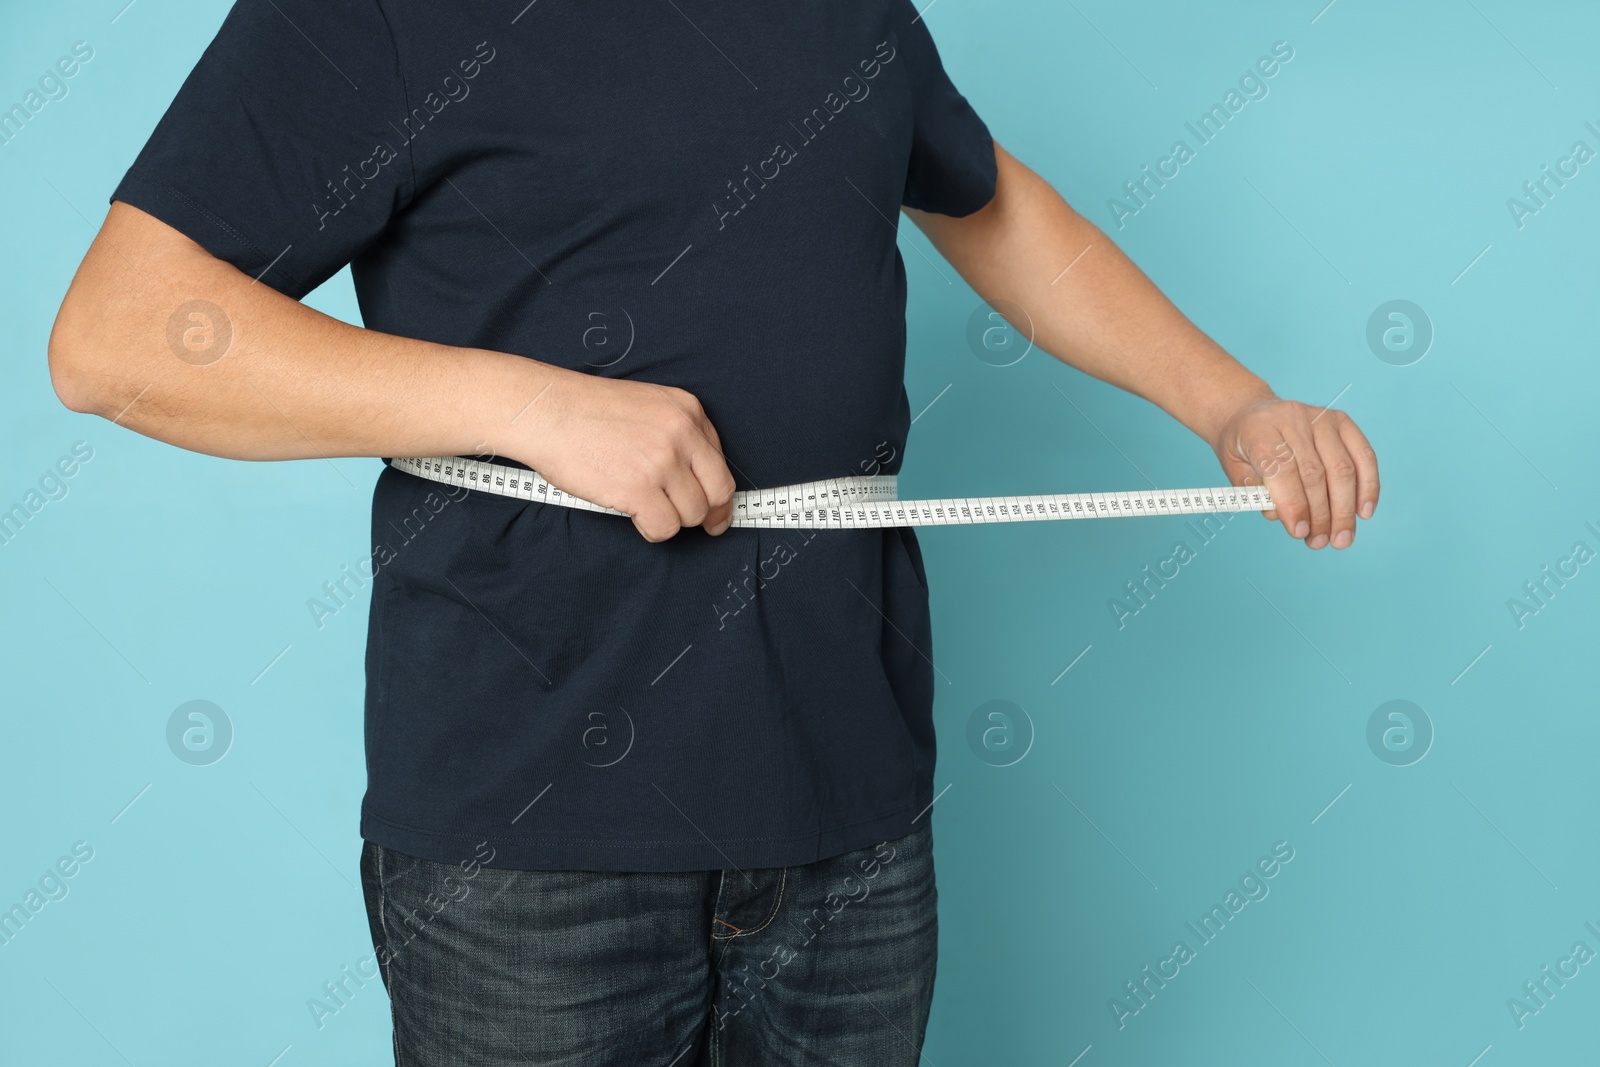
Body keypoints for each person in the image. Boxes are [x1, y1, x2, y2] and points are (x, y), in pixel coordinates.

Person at [47, 1, 1380, 1063]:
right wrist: (531, 407)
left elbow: (989, 202)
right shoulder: (381, 13)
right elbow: (115, 334)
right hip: (530, 856)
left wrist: (1234, 403)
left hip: (853, 824)